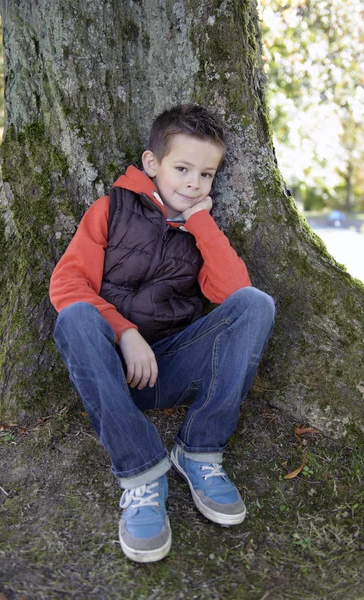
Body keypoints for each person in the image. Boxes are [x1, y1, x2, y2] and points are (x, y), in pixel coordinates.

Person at [49, 104, 275, 563]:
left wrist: (201, 222)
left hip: (168, 367)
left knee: (256, 305)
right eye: (182, 168)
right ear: (152, 165)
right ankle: (141, 474)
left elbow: (233, 292)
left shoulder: (200, 230)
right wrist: (125, 332)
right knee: (74, 318)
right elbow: (67, 284)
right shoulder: (110, 210)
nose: (193, 183)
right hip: (109, 369)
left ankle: (199, 451)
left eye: (206, 174)